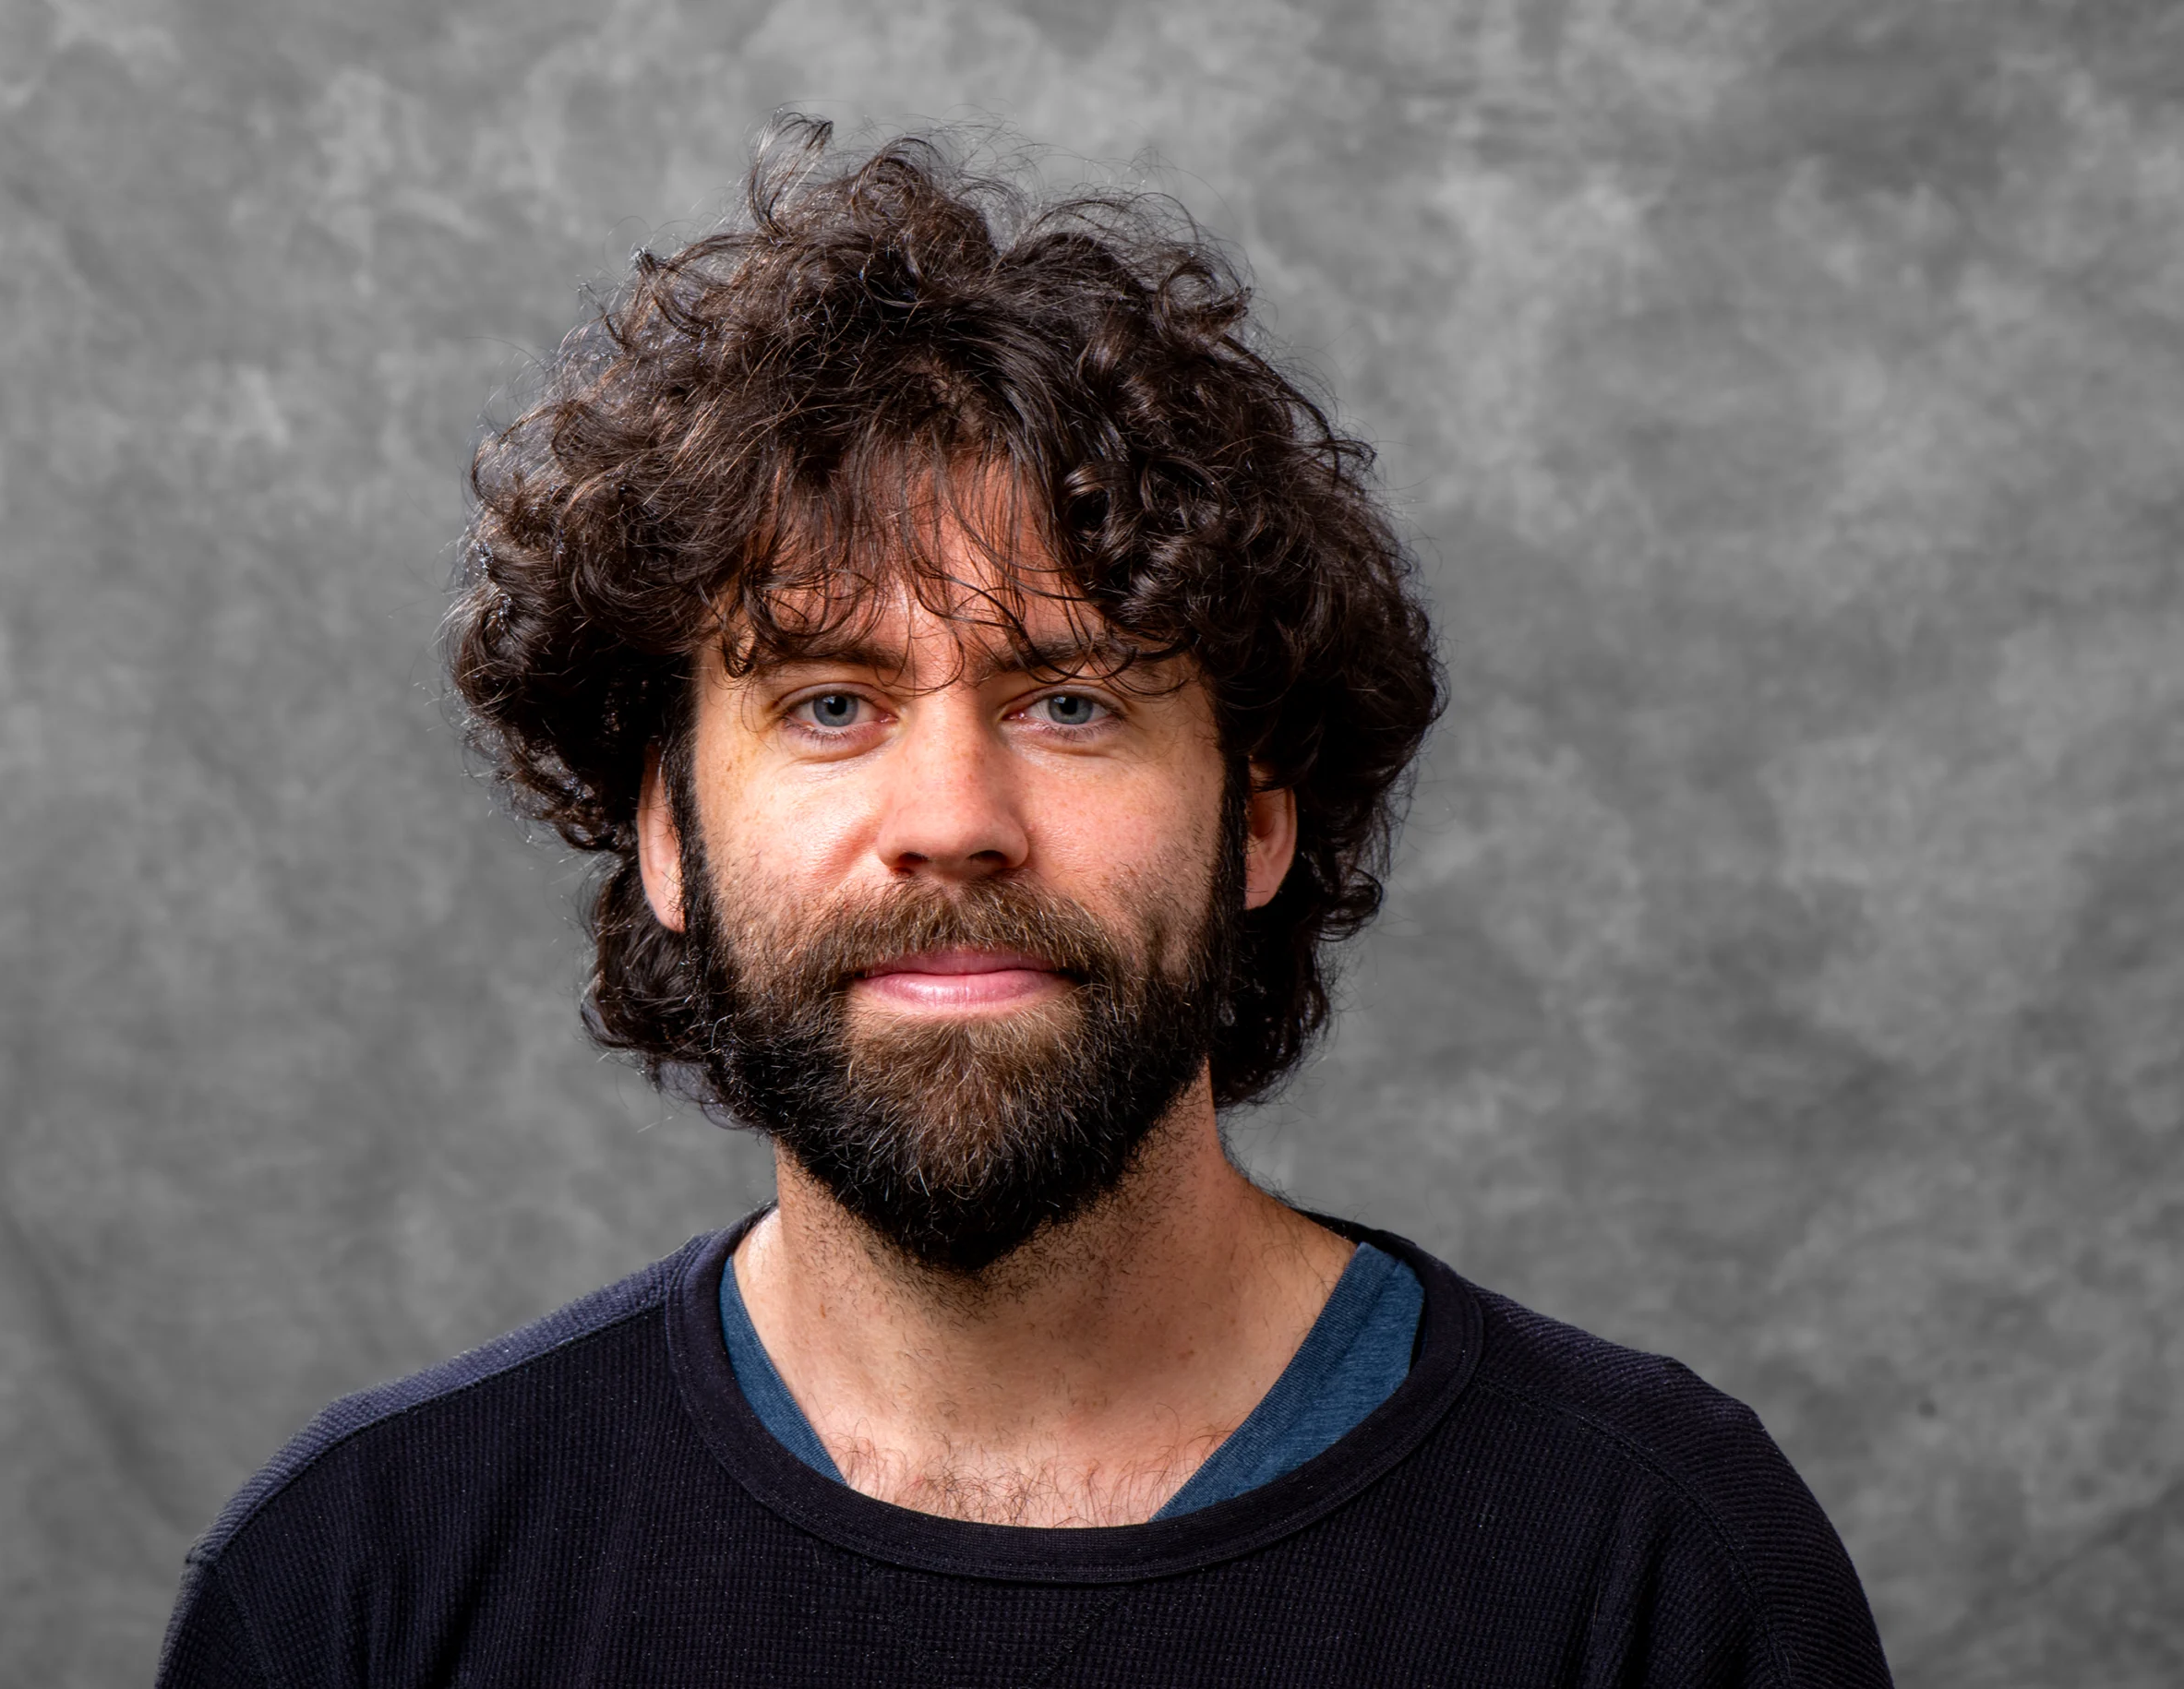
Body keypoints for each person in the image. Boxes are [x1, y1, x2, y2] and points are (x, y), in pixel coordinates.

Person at [156, 118, 1891, 1686]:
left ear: (1258, 822)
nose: (953, 823)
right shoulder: (361, 1589)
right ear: (668, 834)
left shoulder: (1657, 1565)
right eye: (828, 704)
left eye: (1071, 701)